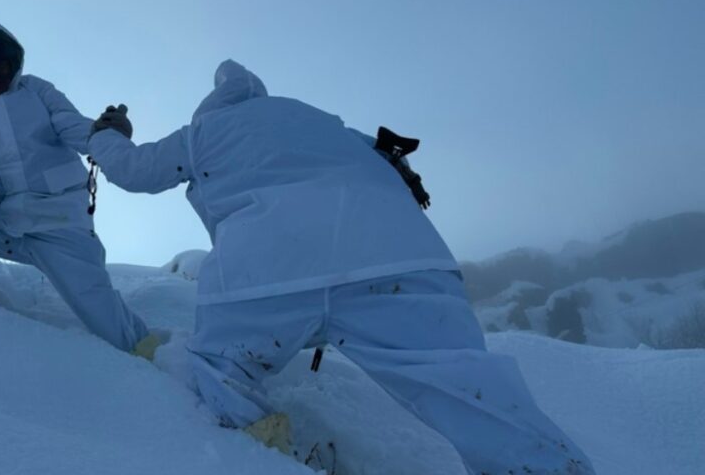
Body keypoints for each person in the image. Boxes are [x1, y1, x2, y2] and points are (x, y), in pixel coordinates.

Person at [87, 60, 595, 474]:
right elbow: (394, 167)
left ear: (211, 106)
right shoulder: (328, 124)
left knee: (218, 372)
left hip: (267, 269)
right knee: (474, 395)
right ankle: (547, 466)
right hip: (400, 258)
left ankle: (266, 456)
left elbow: (134, 172)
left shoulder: (203, 132)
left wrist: (109, 135)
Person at [0, 13, 156, 356]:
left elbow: (75, 128)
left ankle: (157, 359)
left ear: (16, 63)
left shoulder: (38, 91)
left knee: (104, 317)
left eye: (2, 66)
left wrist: (107, 134)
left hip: (58, 224)